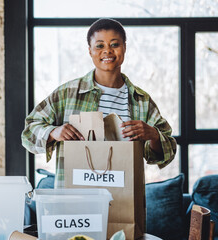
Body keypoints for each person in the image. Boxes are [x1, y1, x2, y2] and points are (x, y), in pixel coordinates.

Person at [21, 18, 177, 188]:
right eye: (100, 45)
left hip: (125, 198)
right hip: (75, 201)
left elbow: (167, 152)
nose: (107, 51)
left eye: (115, 44)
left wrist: (154, 135)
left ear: (124, 47)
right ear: (90, 51)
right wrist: (53, 132)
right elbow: (29, 133)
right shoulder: (67, 94)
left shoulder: (141, 101)